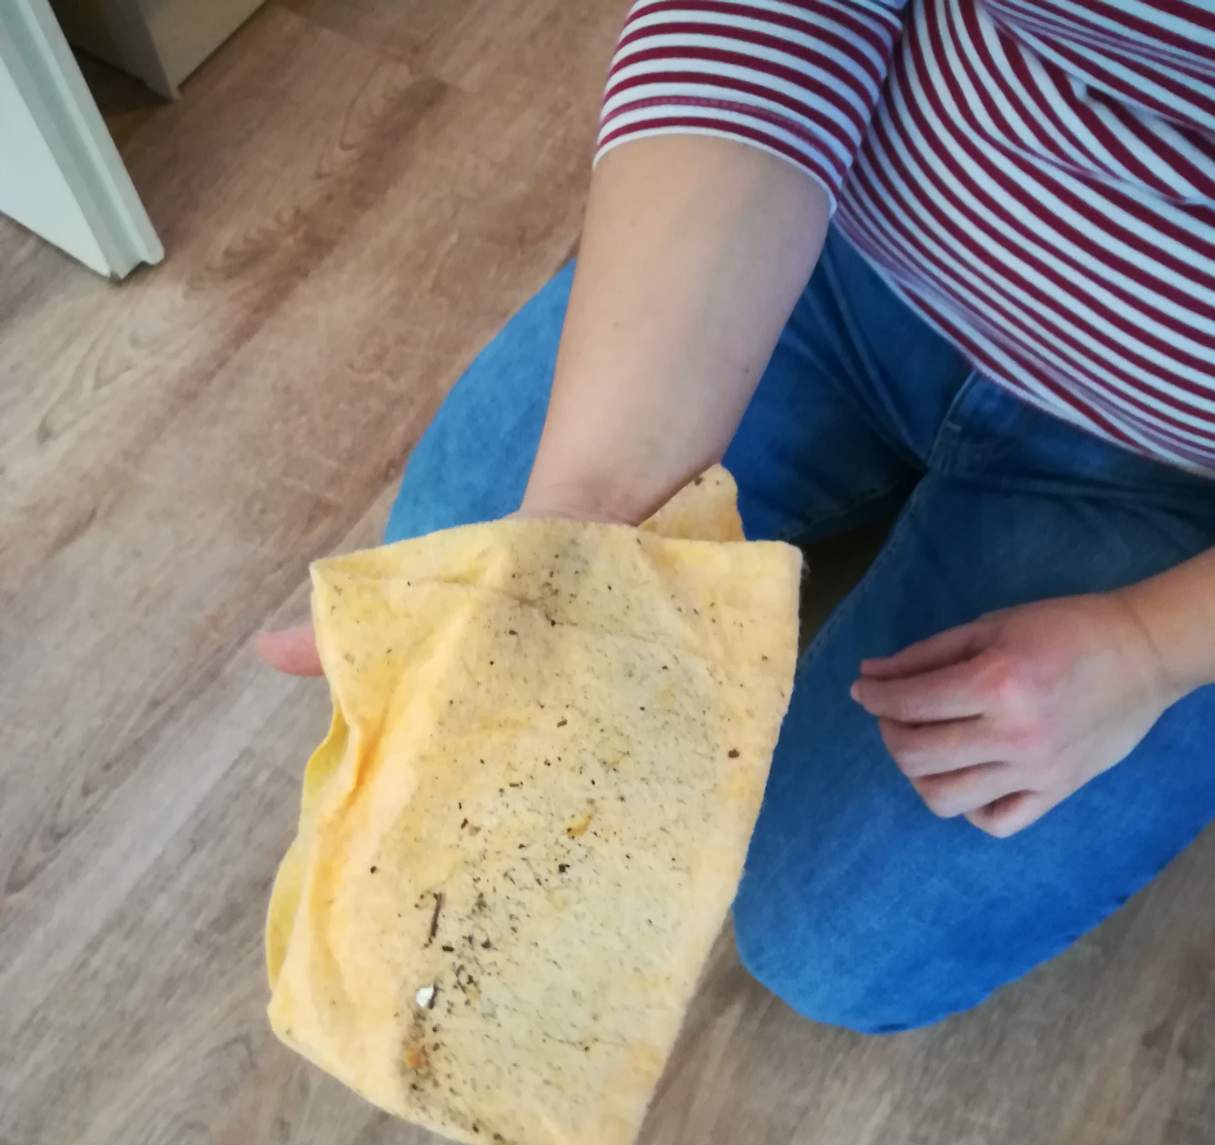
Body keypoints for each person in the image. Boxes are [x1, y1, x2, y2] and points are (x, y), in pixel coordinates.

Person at [259, 0, 1215, 1033]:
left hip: (1172, 474)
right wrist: (585, 528)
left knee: (828, 946)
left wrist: (1150, 645)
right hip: (845, 241)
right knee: (463, 579)